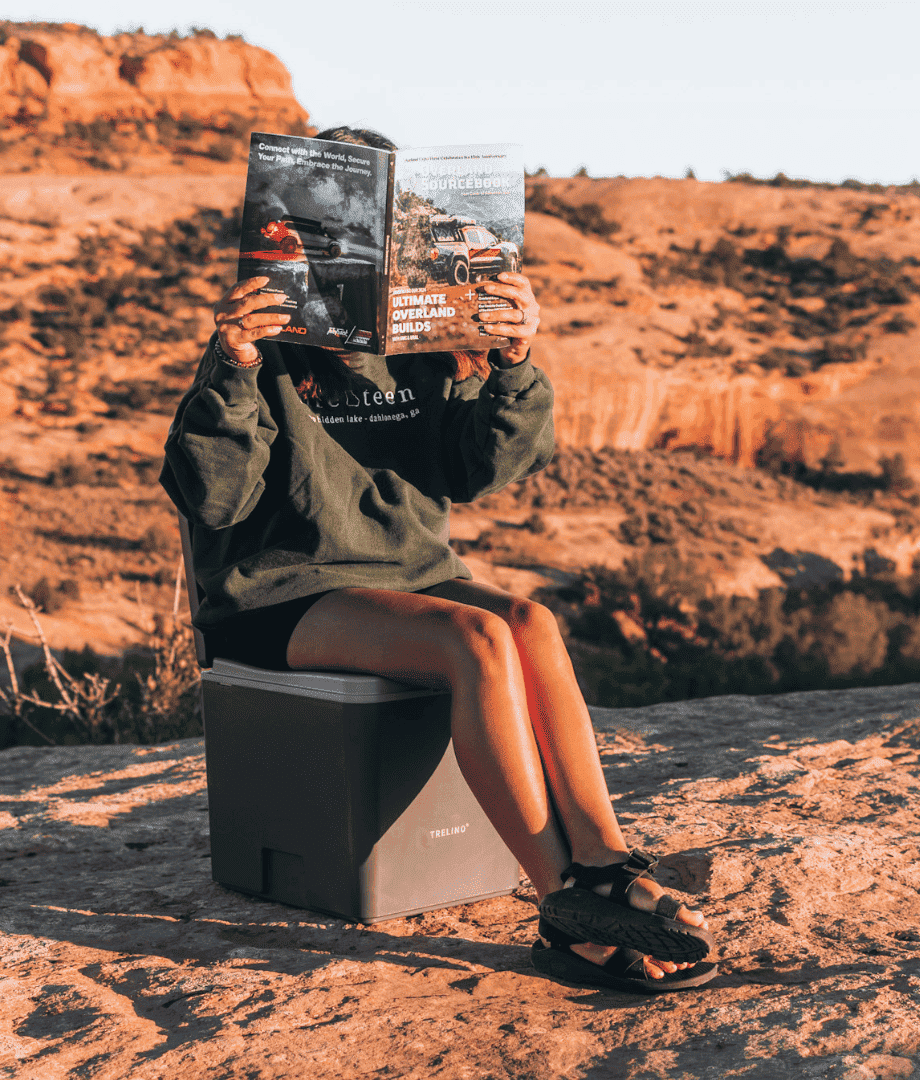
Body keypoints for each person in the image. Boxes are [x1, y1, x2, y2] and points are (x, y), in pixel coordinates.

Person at [161, 127, 717, 994]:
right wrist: (231, 363)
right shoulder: (262, 343)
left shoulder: (426, 335)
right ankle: (566, 904)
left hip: (406, 575)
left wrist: (513, 362)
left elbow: (479, 472)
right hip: (281, 592)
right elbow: (213, 499)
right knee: (475, 642)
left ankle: (605, 862)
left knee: (528, 620)